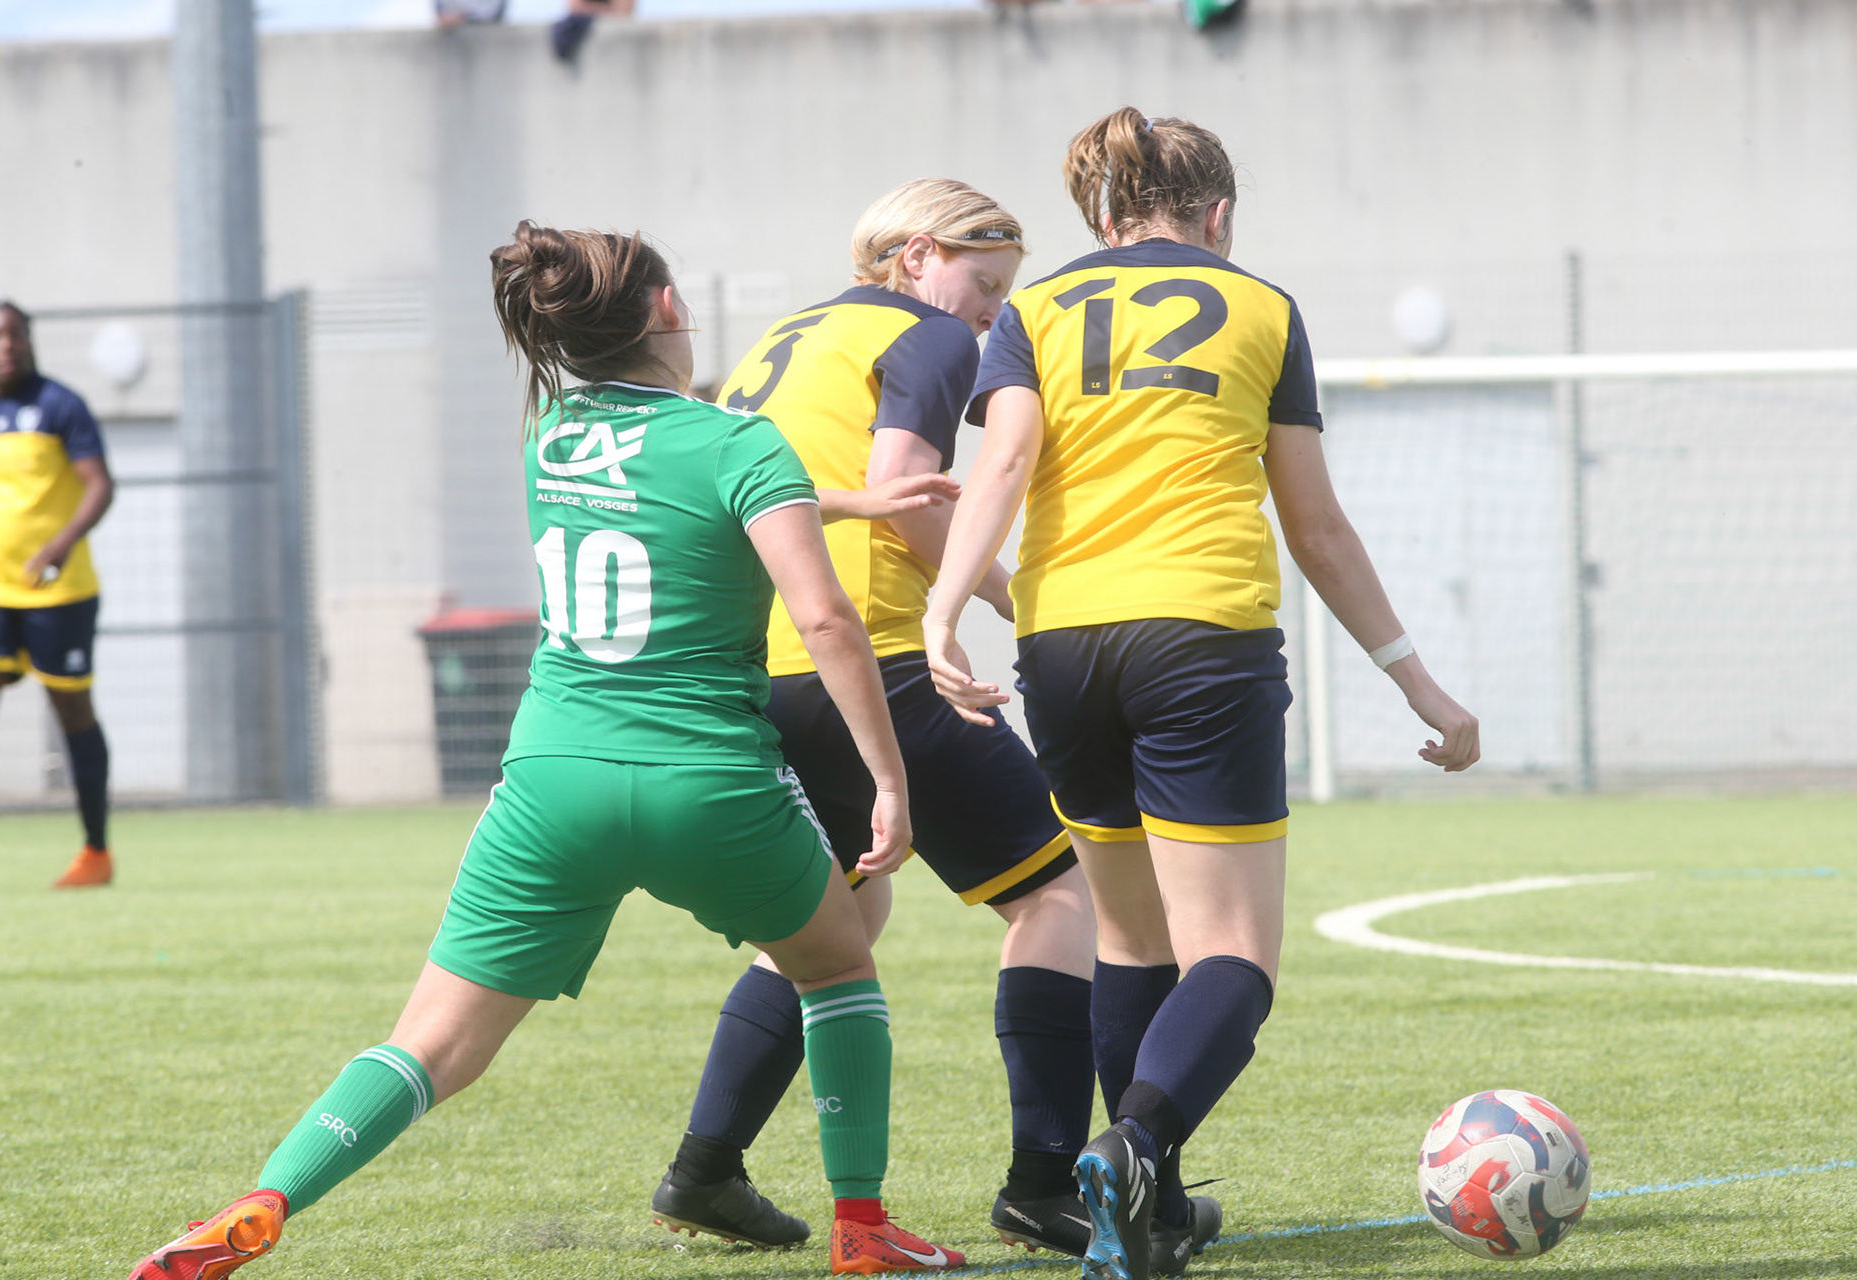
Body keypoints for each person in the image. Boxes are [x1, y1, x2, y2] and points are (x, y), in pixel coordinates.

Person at [124, 223, 963, 1280]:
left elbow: (671, 495)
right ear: (668, 309)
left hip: (551, 782)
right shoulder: (740, 442)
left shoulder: (551, 437)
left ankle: (265, 1199)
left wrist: (841, 499)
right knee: (837, 961)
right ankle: (862, 1225)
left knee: (433, 1043)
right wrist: (889, 778)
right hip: (704, 779)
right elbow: (825, 617)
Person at [922, 108, 1481, 1280]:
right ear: (1217, 213)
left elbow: (1004, 463)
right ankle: (1132, 1146)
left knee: (1130, 935)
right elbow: (1315, 527)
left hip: (1063, 641)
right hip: (1201, 636)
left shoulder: (1035, 307)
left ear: (1105, 213)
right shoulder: (1263, 307)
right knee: (1233, 953)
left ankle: (1152, 1210)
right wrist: (1418, 681)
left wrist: (944, 609)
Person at [647, 178, 1102, 1261]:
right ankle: (1044, 1187)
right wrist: (1010, 600)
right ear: (914, 258)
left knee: (842, 920)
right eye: (984, 282)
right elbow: (903, 495)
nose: (991, 311)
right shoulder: (926, 333)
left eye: (1004, 290)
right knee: (1057, 893)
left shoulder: (784, 338)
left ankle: (706, 1168)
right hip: (864, 657)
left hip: (760, 667)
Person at [0, 301, 115, 892]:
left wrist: (60, 544)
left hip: (56, 591)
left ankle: (95, 851)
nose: (7, 345)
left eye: (15, 334)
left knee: (72, 712)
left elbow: (99, 485)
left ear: (29, 340)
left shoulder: (61, 405)